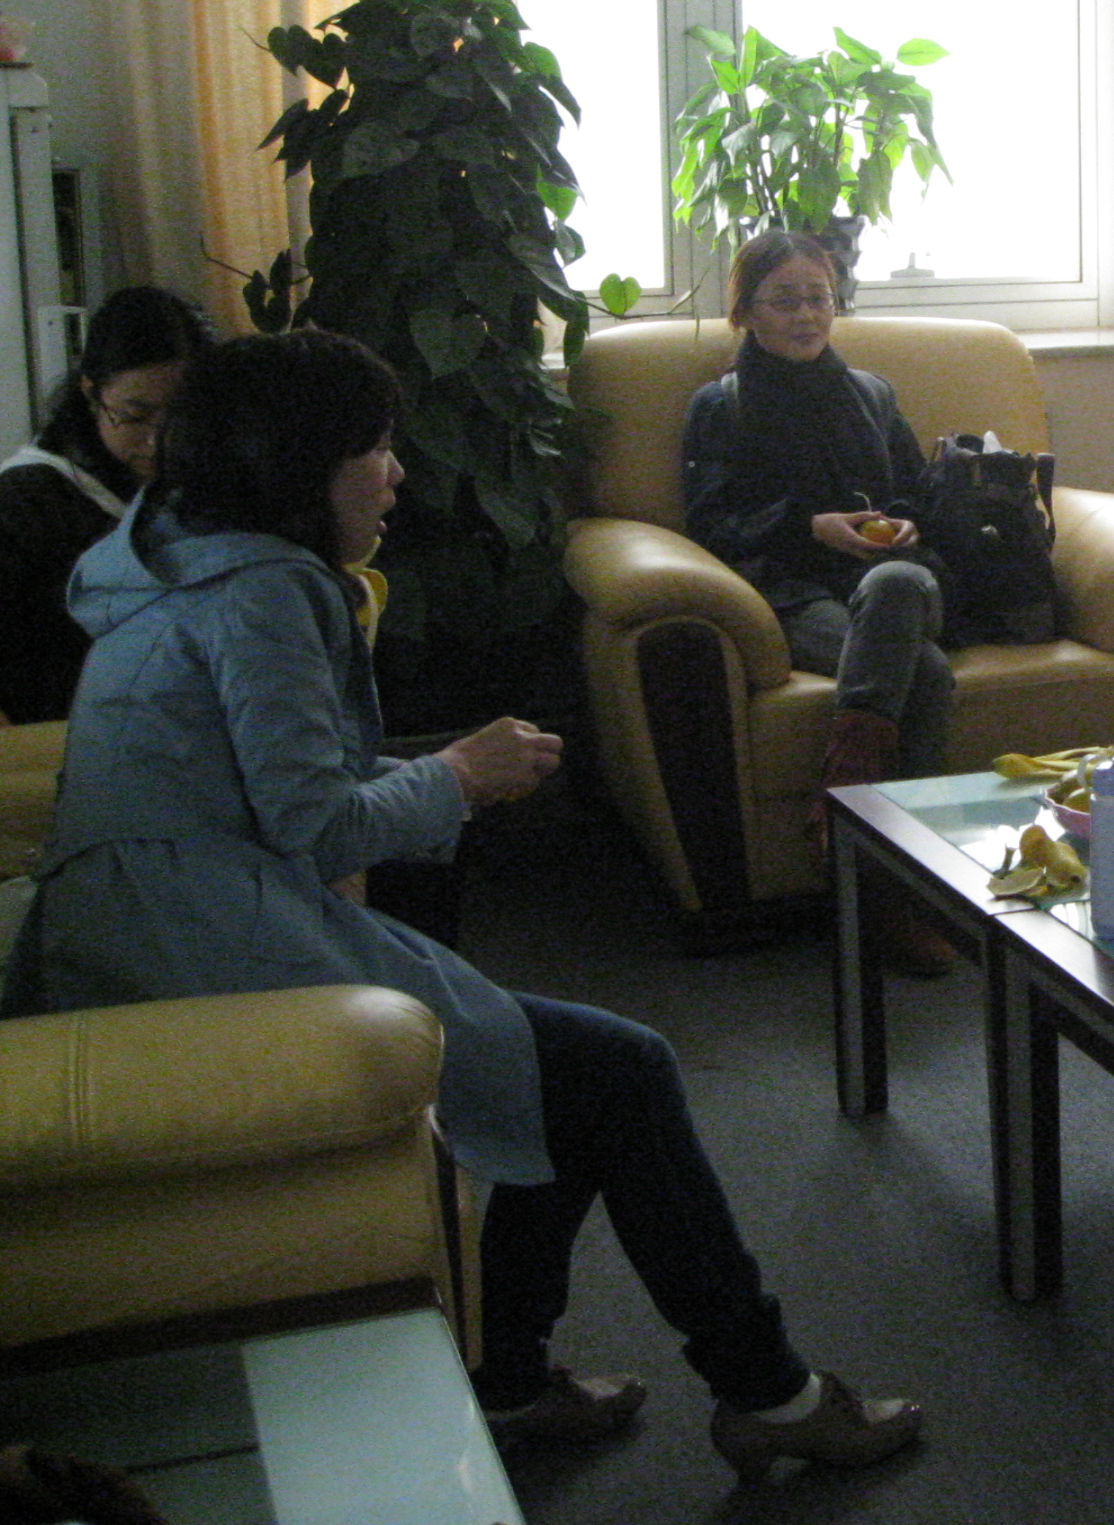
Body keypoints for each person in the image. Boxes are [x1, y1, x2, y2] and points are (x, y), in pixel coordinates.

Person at [0, 330, 923, 1477]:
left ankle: (517, 1381)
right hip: (201, 944)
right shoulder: (268, 591)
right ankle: (770, 1396)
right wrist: (457, 776)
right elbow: (316, 827)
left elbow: (268, 795)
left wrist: (447, 777)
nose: (396, 474)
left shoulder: (173, 562)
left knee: (569, 1081)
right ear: (299, 466)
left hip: (133, 932)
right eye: (375, 449)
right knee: (618, 1071)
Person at [680, 230, 957, 973]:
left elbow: (917, 493)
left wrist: (906, 523)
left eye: (819, 298)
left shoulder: (871, 394)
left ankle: (845, 811)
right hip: (797, 597)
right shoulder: (722, 406)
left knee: (897, 582)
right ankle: (896, 896)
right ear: (746, 312)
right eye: (785, 301)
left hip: (893, 584)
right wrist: (808, 526)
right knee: (926, 674)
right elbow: (710, 523)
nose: (806, 315)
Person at [0, 285, 213, 723]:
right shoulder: (25, 502)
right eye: (134, 416)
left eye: (182, 417)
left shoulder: (204, 485)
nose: (157, 442)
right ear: (90, 393)